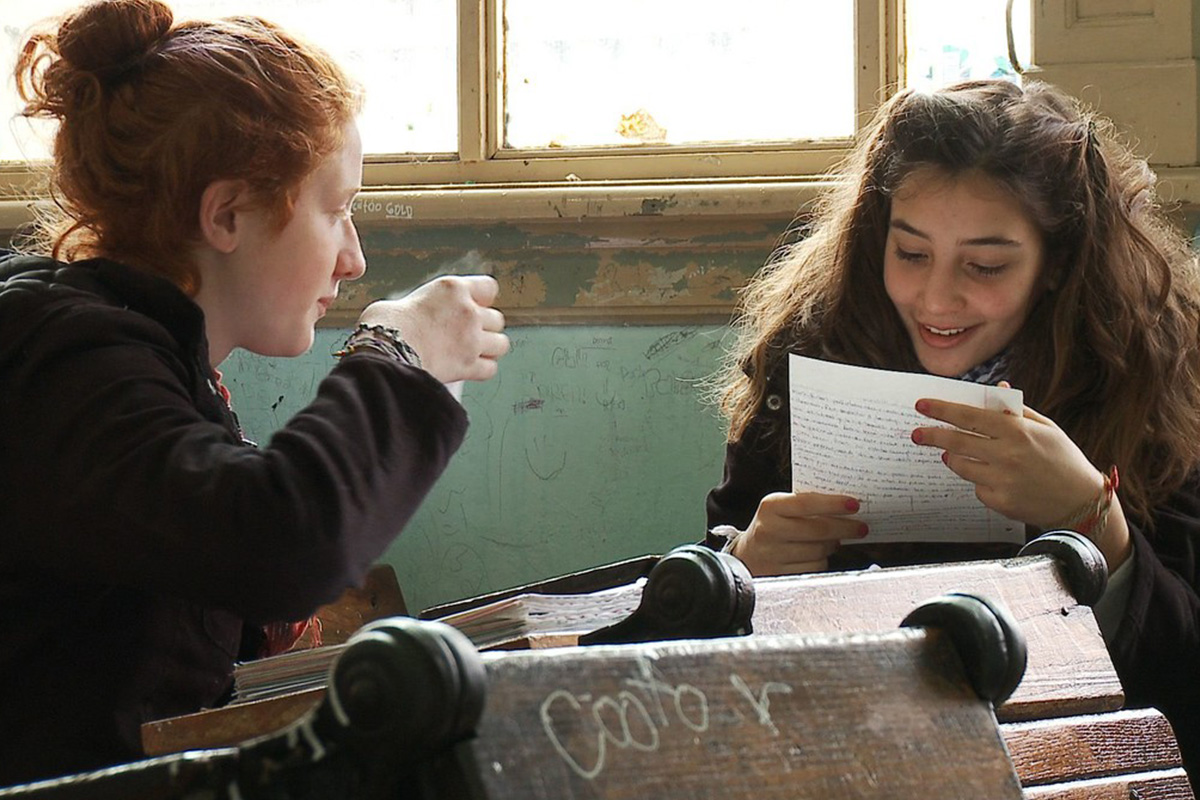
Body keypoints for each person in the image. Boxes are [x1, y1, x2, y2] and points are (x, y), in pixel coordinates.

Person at [0, 0, 509, 786]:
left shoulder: (144, 355)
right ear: (227, 213)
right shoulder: (65, 365)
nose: (355, 259)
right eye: (336, 211)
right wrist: (395, 354)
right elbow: (279, 542)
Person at [705, 79, 1200, 784]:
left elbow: (1184, 683)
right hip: (853, 764)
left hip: (1074, 769)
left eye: (986, 265)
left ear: (1059, 263)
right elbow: (704, 646)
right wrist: (748, 571)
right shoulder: (812, 353)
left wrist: (1094, 520)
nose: (937, 299)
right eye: (910, 253)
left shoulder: (1158, 374)